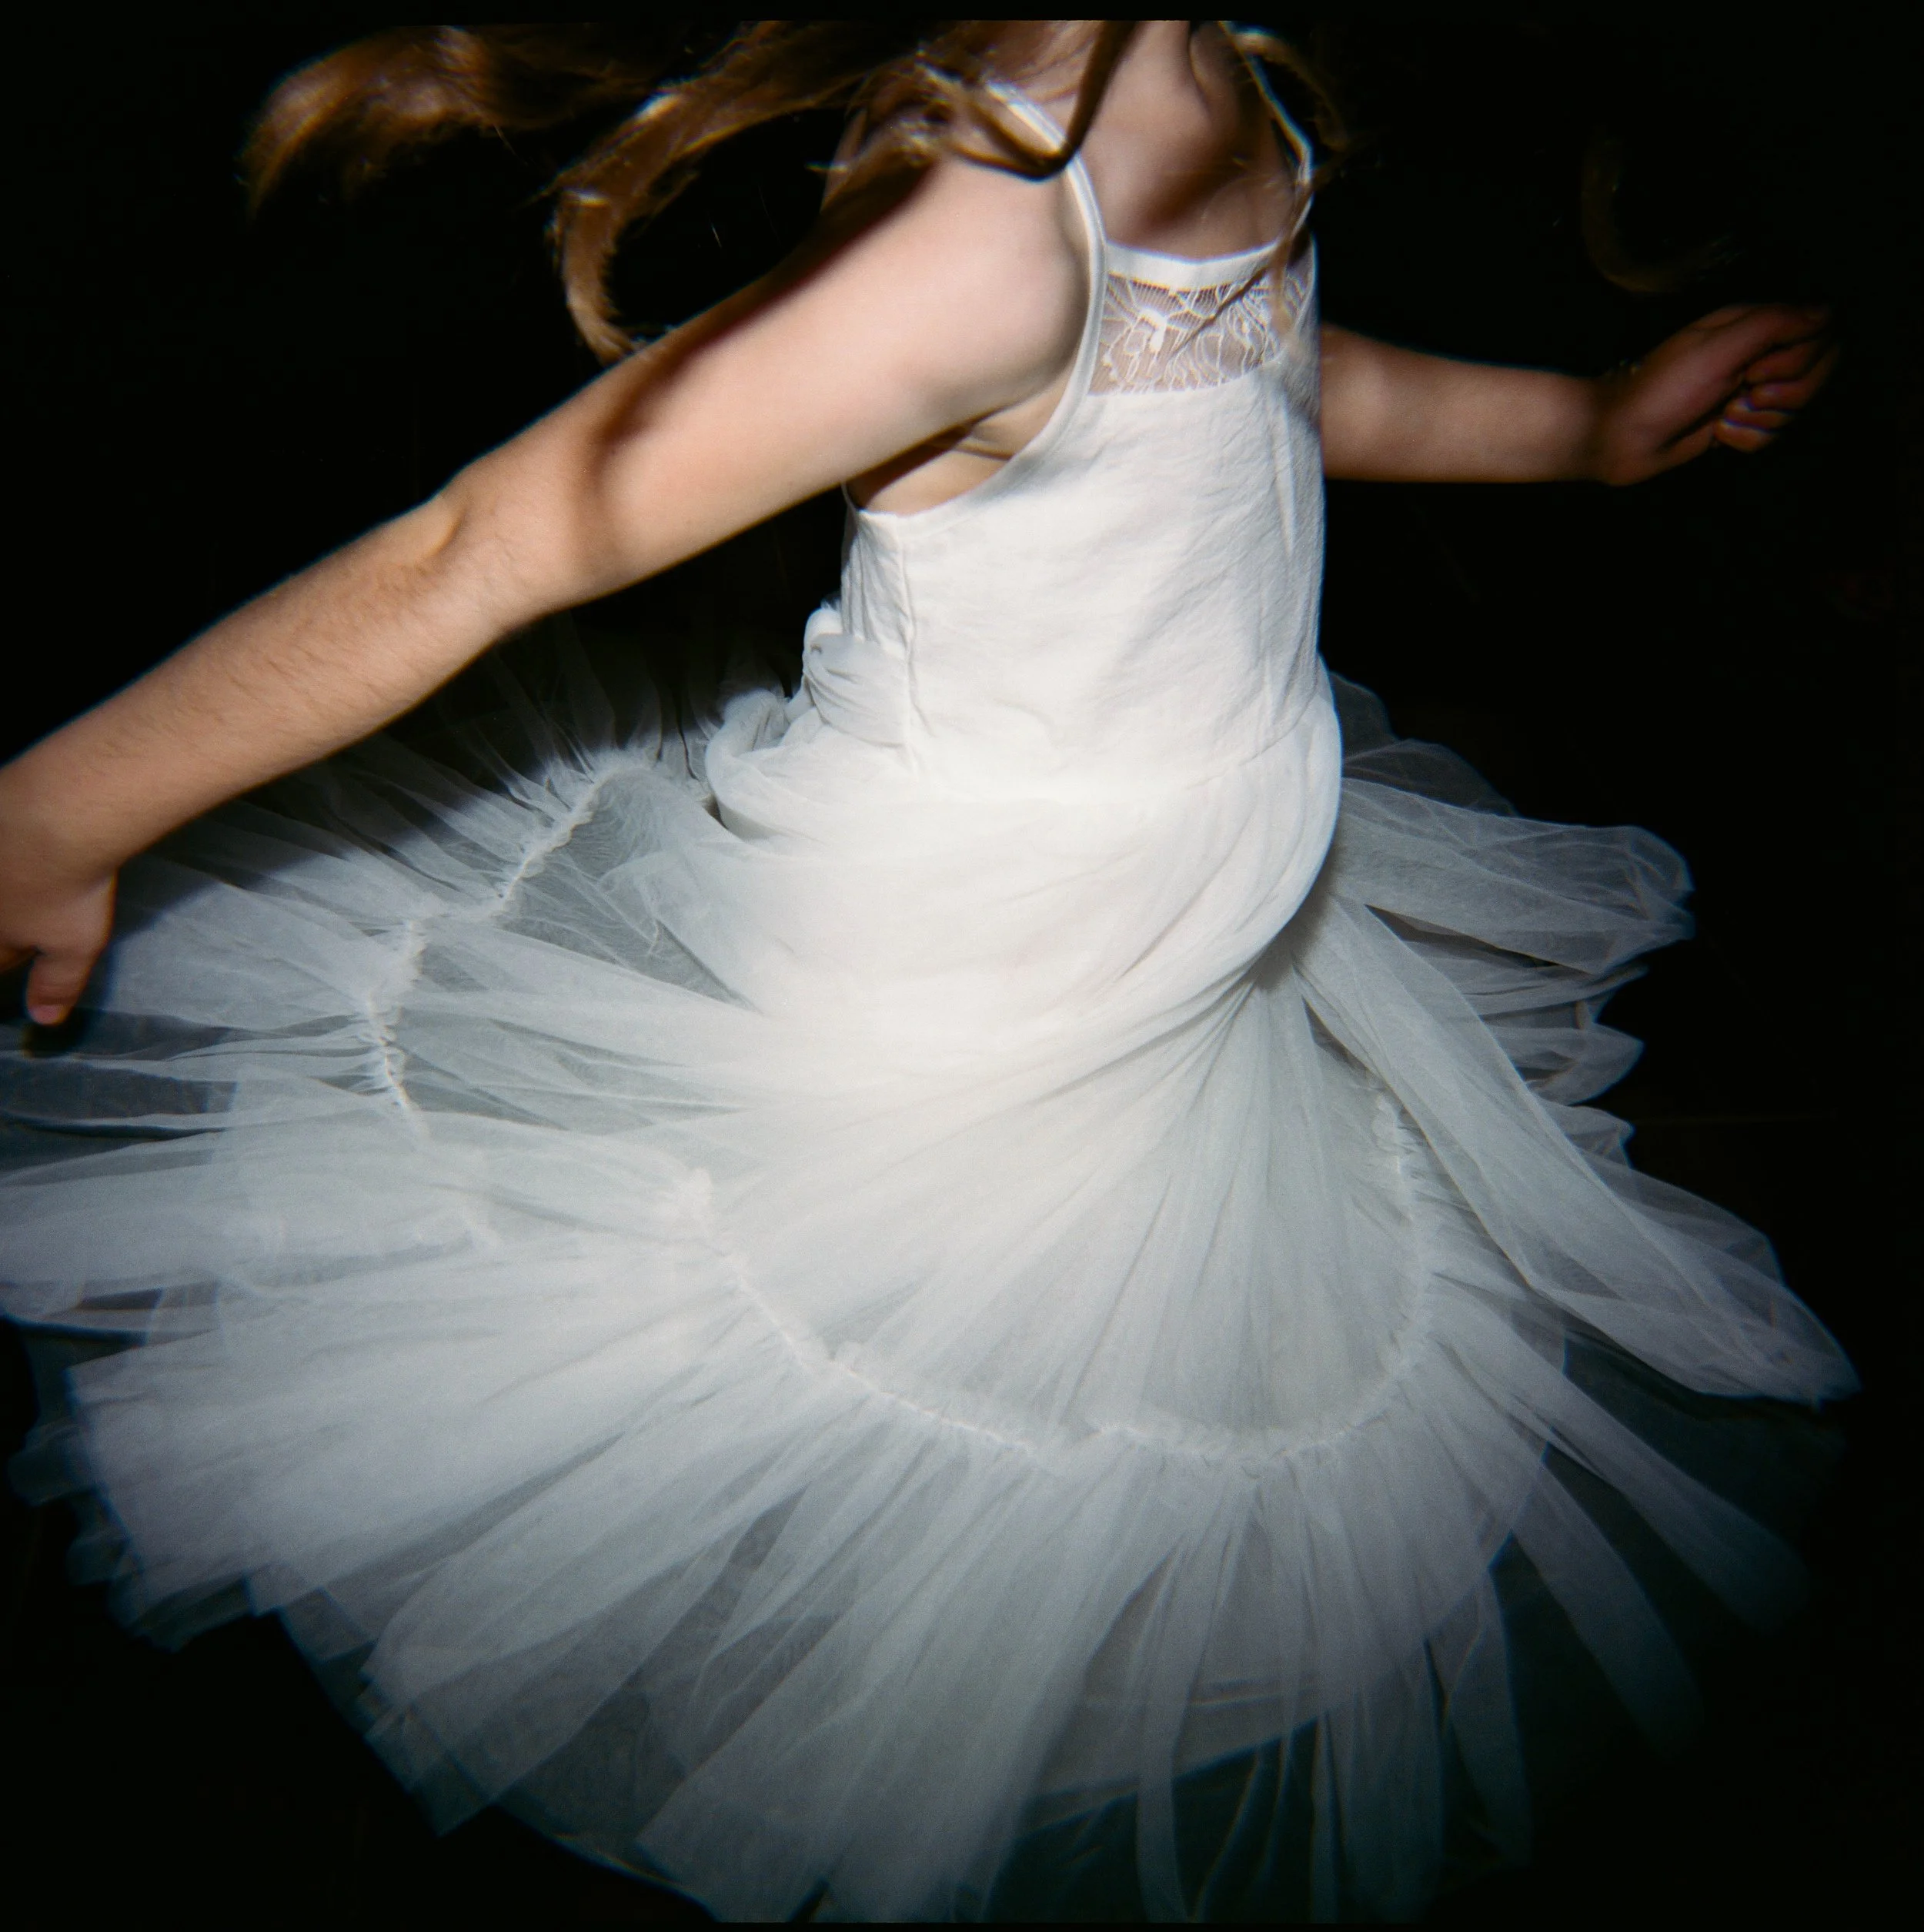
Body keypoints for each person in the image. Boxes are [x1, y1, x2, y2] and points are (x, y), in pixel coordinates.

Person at [0, 20, 1852, 1922]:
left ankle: (957, 1632)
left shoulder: (1194, 70)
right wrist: (55, 812)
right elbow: (483, 543)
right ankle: (814, 1682)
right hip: (965, 962)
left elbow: (1243, 374)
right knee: (851, 1374)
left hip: (1160, 939)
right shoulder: (974, 243)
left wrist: (1590, 424)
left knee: (1085, 1376)